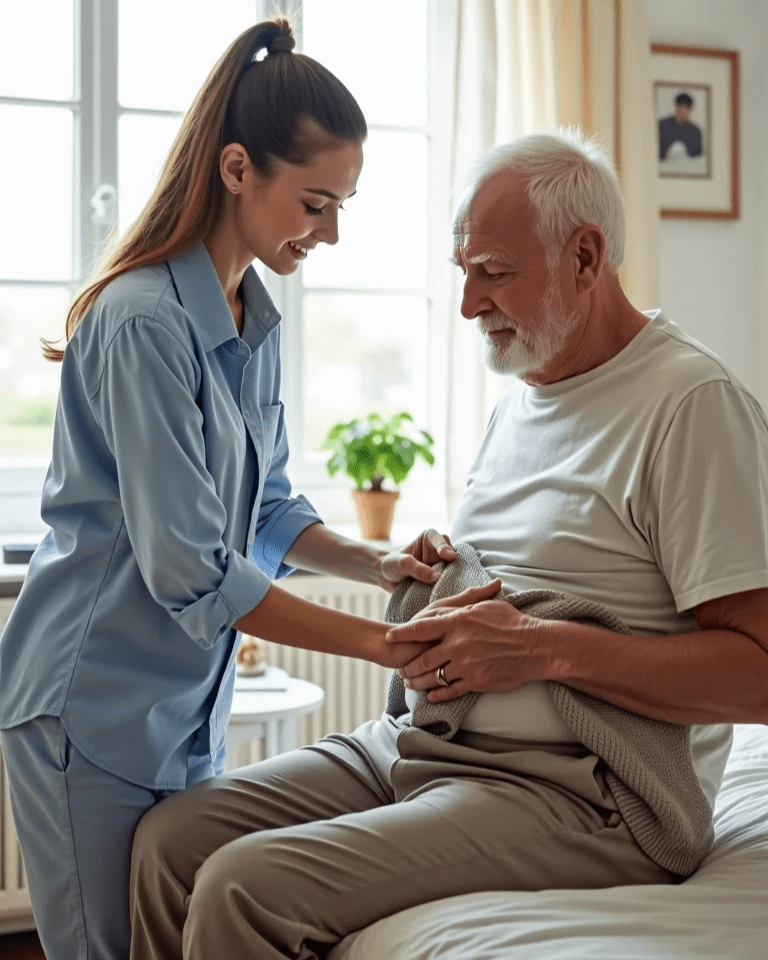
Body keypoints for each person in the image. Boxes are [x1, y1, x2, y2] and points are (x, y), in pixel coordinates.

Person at [127, 128, 768, 960]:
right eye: (463, 273)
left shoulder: (691, 404)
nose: (469, 304)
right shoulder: (522, 396)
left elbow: (757, 672)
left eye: (494, 273)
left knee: (244, 886)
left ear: (585, 256)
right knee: (169, 843)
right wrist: (440, 575)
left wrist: (542, 650)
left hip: (582, 791)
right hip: (429, 744)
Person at [0, 19, 455, 960]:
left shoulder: (253, 318)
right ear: (238, 168)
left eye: (344, 206)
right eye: (317, 202)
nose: (331, 232)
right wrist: (387, 648)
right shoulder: (142, 325)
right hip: (89, 711)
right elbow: (196, 572)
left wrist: (376, 565)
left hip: (179, 713)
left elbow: (271, 506)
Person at [659, 91, 703, 159]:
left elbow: (698, 157)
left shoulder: (695, 131)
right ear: (676, 108)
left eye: (686, 109)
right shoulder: (662, 126)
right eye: (680, 107)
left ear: (690, 111)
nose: (682, 112)